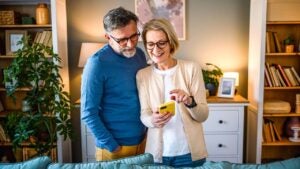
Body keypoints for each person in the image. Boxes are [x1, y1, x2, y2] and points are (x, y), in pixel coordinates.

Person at [136, 18, 209, 168]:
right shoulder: (142, 75)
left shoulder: (191, 68)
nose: (156, 49)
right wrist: (152, 120)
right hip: (157, 155)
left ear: (171, 42)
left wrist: (190, 101)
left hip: (189, 154)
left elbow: (203, 115)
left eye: (161, 42)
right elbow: (144, 113)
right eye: (150, 44)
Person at [81, 7, 147, 161]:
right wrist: (112, 145)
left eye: (134, 36)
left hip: (142, 141)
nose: (130, 44)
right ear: (108, 37)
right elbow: (88, 113)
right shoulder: (97, 64)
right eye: (122, 40)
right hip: (115, 147)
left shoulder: (140, 55)